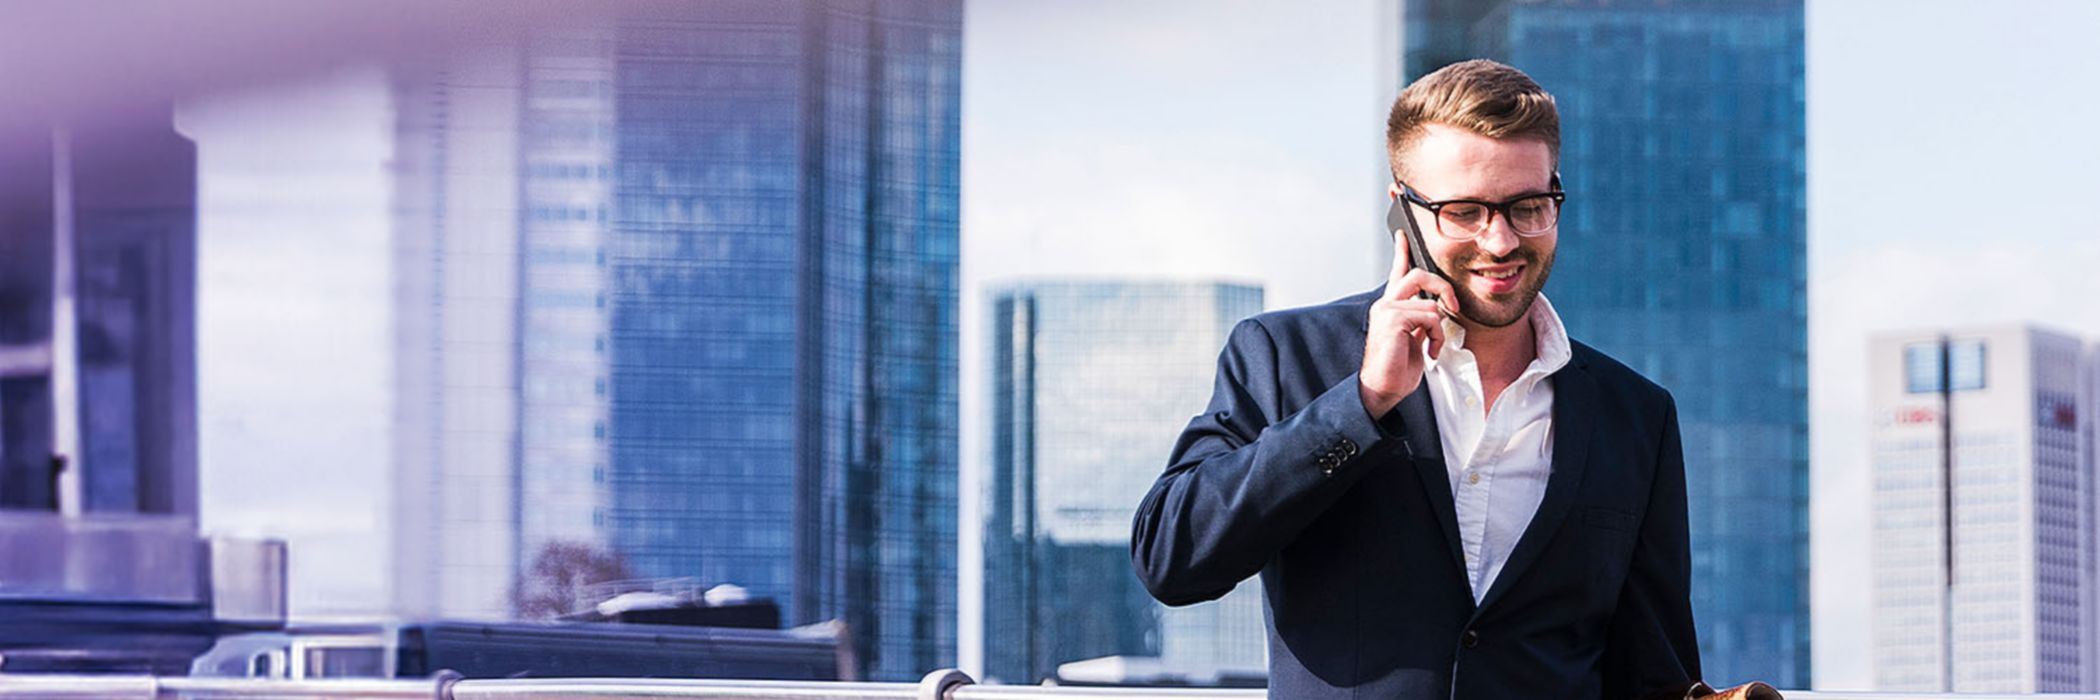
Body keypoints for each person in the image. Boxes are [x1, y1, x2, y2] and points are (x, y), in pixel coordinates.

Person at [1130, 59, 1704, 699]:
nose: (1500, 240)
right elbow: (1171, 559)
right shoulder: (1285, 355)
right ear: (1403, 211)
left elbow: (1653, 669)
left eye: (1527, 206)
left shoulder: (1636, 414)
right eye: (1464, 211)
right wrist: (1362, 401)